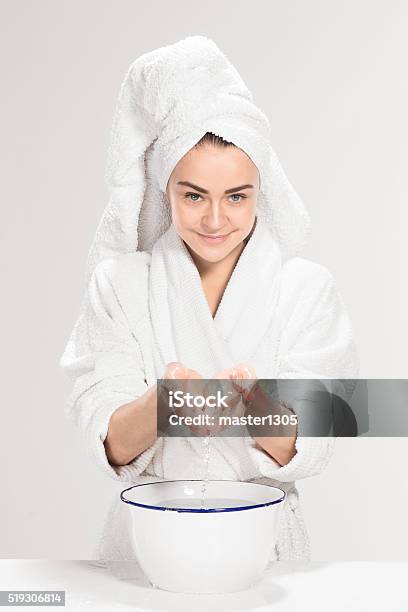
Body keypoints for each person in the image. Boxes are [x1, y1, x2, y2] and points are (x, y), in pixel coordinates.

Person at [59, 35, 359, 563]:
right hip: (146, 546)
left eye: (236, 196)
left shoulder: (305, 290)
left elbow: (316, 445)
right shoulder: (120, 284)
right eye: (193, 195)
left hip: (262, 548)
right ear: (164, 190)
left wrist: (256, 407)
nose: (216, 220)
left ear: (260, 190)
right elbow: (103, 438)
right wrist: (162, 403)